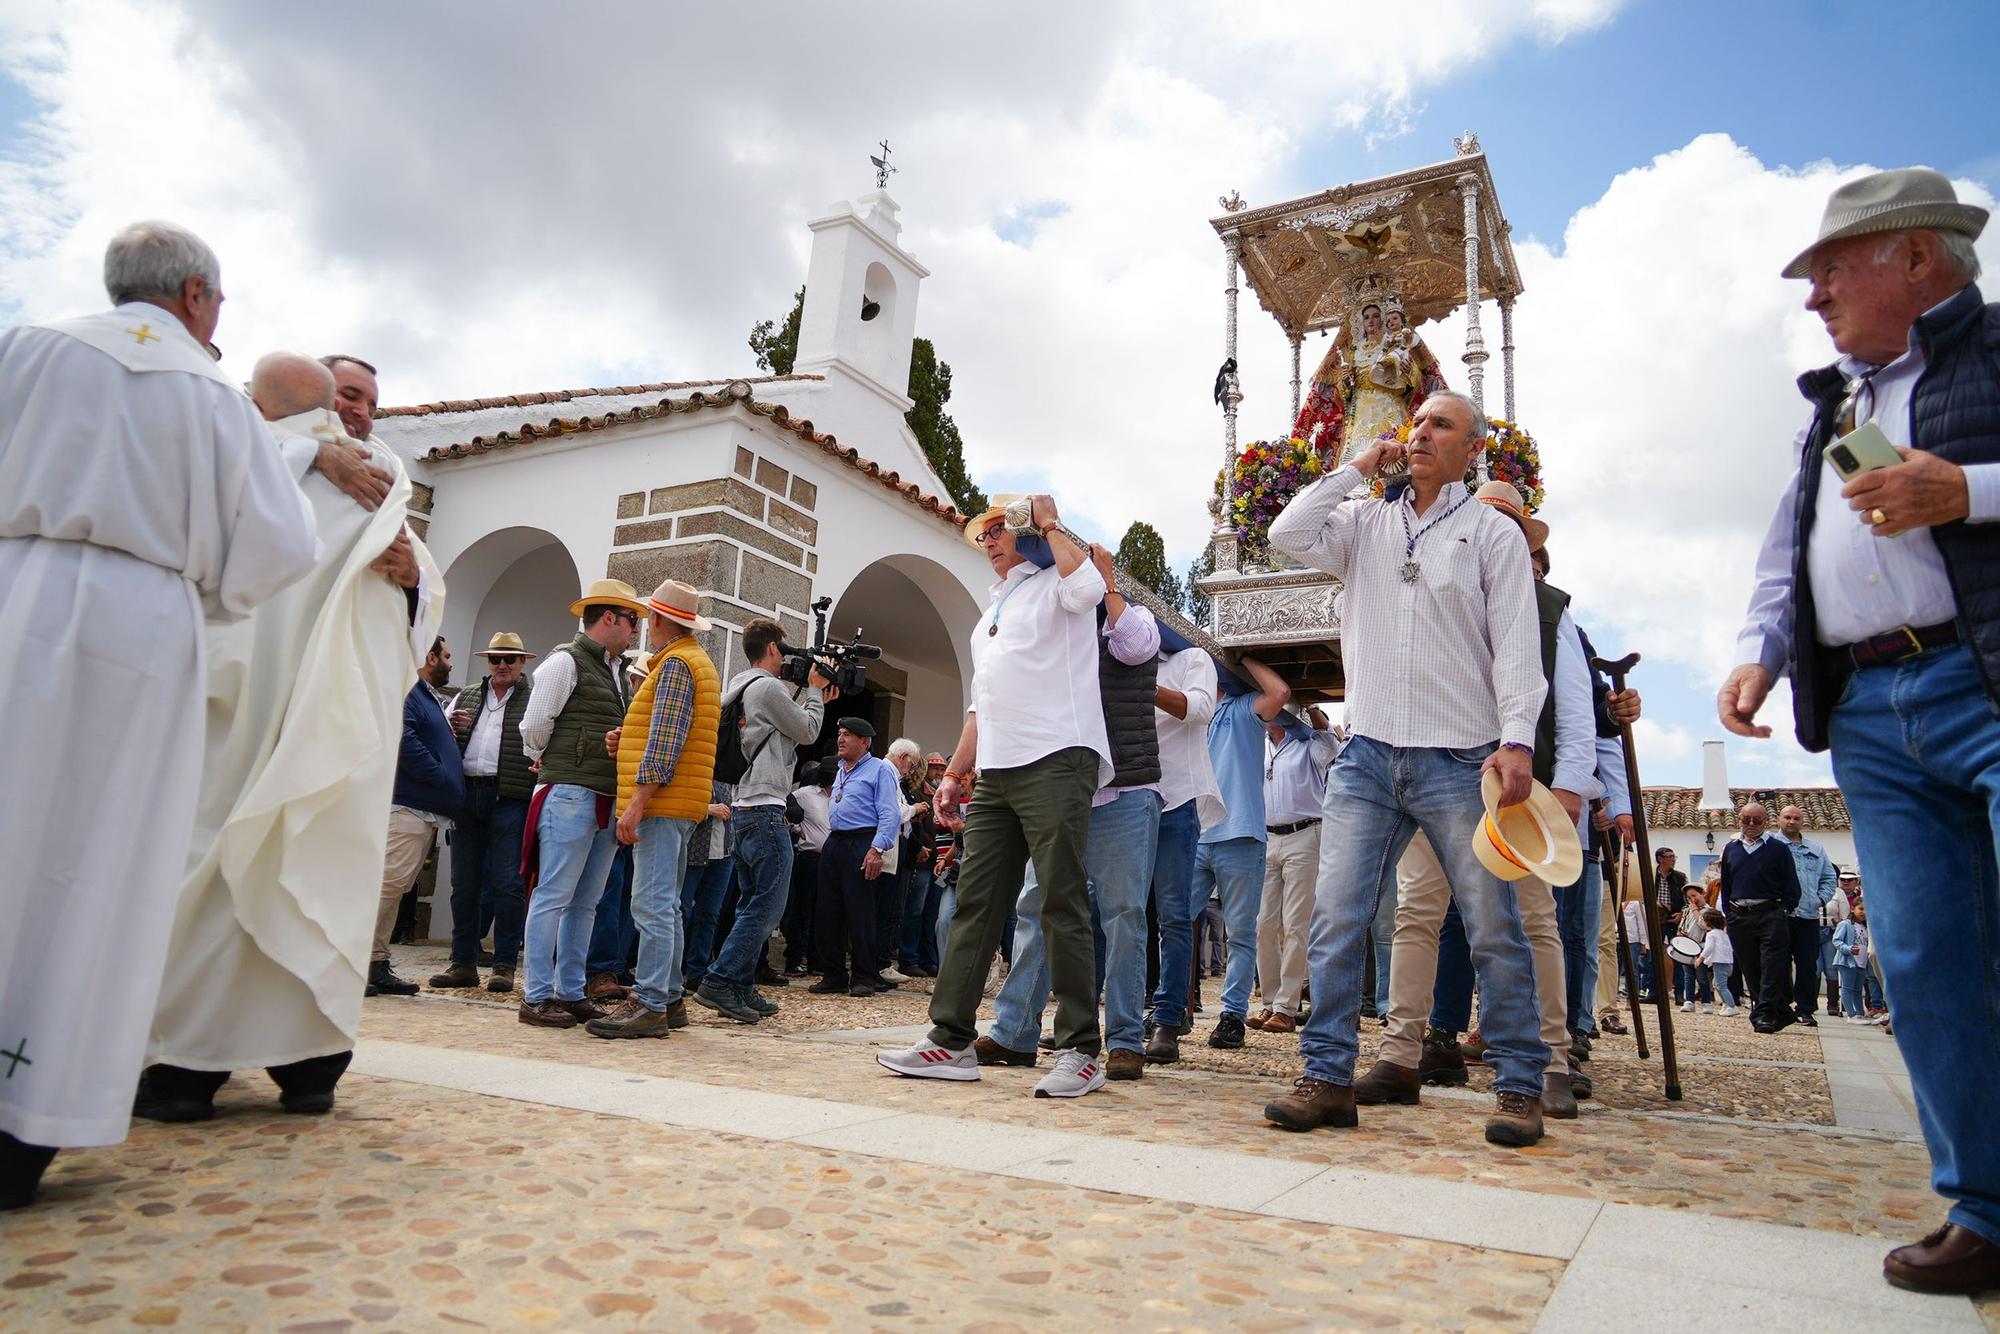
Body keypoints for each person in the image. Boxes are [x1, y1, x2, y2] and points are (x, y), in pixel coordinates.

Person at [0, 222, 325, 1209]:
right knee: (99, 862)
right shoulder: (209, 395)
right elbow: (276, 550)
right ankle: (32, 1115)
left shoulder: (30, 345)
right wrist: (206, 595)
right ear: (193, 293)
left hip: (16, 595)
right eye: (217, 303)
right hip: (141, 630)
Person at [1720, 168, 2000, 1289]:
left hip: (1983, 680)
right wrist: (1760, 647)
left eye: (1832, 268)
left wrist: (1966, 490)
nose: (1813, 295)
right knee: (1927, 958)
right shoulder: (1830, 407)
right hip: (1873, 711)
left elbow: (1950, 500)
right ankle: (1980, 1204)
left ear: (1916, 259)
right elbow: (1786, 550)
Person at [139, 352, 436, 1122]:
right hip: (249, 710)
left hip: (328, 715)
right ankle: (221, 1065)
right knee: (234, 857)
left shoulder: (381, 478)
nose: (360, 411)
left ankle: (277, 1065)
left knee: (302, 864)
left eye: (371, 399)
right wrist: (309, 452)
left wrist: (411, 578)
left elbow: (421, 588)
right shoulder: (260, 451)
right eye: (347, 395)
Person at [1261, 391, 1551, 1147]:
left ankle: (1521, 1086)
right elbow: (1286, 532)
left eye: (1440, 425)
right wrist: (1355, 468)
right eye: (1416, 422)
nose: (1421, 432)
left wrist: (1517, 738)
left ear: (1471, 449)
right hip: (1367, 756)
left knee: (1492, 926)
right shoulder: (1363, 522)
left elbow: (1520, 644)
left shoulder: (1492, 533)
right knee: (1336, 921)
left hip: (1460, 756)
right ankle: (1326, 1079)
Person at [1354, 484, 1611, 1120]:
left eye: (1503, 524)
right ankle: (1401, 1051)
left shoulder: (1552, 610)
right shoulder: (1437, 592)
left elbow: (1576, 713)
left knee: (1531, 920)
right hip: (1436, 769)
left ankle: (1551, 1058)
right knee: (1417, 911)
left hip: (1519, 791)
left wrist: (1573, 787)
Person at [878, 493, 1114, 1096]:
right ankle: (951, 1039)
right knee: (977, 902)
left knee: (1060, 899)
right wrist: (956, 773)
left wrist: (1050, 522)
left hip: (1059, 754)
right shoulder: (989, 615)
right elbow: (983, 704)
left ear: (1025, 533)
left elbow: (1091, 590)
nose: (987, 540)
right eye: (982, 533)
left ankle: (1082, 1048)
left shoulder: (1059, 579)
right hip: (999, 770)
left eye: (998, 530)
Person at [979, 542, 1163, 1083]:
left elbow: (1134, 649)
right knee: (1036, 905)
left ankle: (1126, 1039)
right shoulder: (1050, 614)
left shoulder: (1126, 618)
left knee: (1123, 916)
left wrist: (1107, 587)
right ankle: (1014, 1032)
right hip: (1058, 788)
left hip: (1124, 792)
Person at [587, 580, 720, 1038]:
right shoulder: (690, 662)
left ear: (660, 620)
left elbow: (665, 743)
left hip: (661, 802)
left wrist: (636, 805)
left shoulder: (676, 665)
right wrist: (625, 742)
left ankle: (649, 1002)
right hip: (678, 802)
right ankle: (669, 997)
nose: (644, 625)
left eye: (648, 618)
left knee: (651, 903)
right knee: (668, 905)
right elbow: (668, 733)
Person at [516, 578, 643, 1028]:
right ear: (608, 617)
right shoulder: (564, 662)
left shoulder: (611, 669)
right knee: (554, 895)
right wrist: (548, 760)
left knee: (583, 901)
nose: (636, 628)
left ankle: (568, 990)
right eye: (632, 619)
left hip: (598, 796)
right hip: (571, 791)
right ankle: (536, 995)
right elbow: (534, 727)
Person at [703, 618, 832, 1019]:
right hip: (766, 809)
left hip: (743, 807)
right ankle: (719, 981)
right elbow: (809, 731)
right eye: (785, 647)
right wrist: (814, 691)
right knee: (768, 905)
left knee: (750, 902)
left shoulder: (740, 687)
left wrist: (812, 697)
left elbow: (785, 732)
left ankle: (740, 985)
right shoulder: (769, 687)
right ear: (774, 648)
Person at [1192, 655, 1293, 1050]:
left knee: (1241, 932)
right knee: (1177, 924)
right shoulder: (1194, 713)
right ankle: (1170, 1008)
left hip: (1240, 834)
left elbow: (1280, 693)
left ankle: (1232, 1013)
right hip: (1195, 836)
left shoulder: (1242, 707)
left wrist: (1243, 658)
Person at [431, 633, 537, 993]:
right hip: (468, 794)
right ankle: (463, 962)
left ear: (523, 662)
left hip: (509, 797)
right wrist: (450, 727)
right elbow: (440, 736)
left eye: (509, 658)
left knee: (507, 883)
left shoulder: (535, 698)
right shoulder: (468, 695)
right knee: (464, 884)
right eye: (495, 659)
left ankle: (504, 964)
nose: (502, 665)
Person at [1141, 643, 1224, 1064]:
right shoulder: (1110, 657)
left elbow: (1199, 709)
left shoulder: (1191, 659)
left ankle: (1169, 1018)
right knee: (1122, 914)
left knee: (1173, 915)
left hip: (1176, 801)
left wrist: (1143, 683)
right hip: (1128, 798)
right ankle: (1118, 1015)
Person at [369, 638, 465, 997]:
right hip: (408, 805)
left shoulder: (424, 695)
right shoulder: (409, 690)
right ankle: (348, 960)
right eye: (447, 655)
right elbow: (403, 737)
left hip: (422, 807)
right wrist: (438, 774)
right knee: (387, 884)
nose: (451, 663)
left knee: (396, 886)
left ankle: (376, 964)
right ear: (429, 657)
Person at [1252, 706, 1340, 1035]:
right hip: (1267, 837)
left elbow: (1330, 744)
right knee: (1263, 925)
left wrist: (1313, 709)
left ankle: (1286, 1007)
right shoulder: (1258, 743)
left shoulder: (1307, 743)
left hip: (1305, 835)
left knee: (1296, 924)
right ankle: (1269, 1001)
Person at [1290, 293, 1448, 468]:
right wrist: (1346, 382)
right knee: (1358, 457)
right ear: (1361, 322)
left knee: (1395, 457)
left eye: (1375, 316)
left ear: (1384, 319)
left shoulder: (1396, 344)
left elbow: (1416, 384)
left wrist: (1408, 372)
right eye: (1366, 317)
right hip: (1361, 414)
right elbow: (1347, 395)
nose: (1370, 321)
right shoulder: (1353, 352)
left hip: (1390, 407)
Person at [811, 718, 903, 994]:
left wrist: (876, 849)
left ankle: (864, 976)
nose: (840, 738)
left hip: (862, 840)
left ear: (865, 741)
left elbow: (890, 812)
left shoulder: (879, 769)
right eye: (839, 733)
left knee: (860, 911)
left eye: (848, 735)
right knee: (828, 910)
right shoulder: (841, 769)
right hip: (836, 840)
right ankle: (834, 974)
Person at [1716, 802, 1802, 1032]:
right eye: (1747, 820)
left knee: (1772, 966)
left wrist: (1783, 910)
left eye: (1757, 820)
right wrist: (1729, 912)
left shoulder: (1778, 849)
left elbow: (1791, 885)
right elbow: (1726, 883)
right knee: (1749, 967)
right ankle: (1778, 1011)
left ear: (1766, 821)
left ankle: (1763, 1015)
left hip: (1770, 914)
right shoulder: (1731, 849)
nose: (1751, 825)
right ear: (1740, 820)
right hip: (1739, 917)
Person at [1775, 804, 1838, 1027]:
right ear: (1779, 819)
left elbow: (1830, 878)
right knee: (1778, 963)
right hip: (1781, 915)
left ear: (1802, 821)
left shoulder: (1817, 849)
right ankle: (1781, 1006)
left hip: (1808, 916)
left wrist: (1819, 900)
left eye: (1796, 818)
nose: (1791, 821)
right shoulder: (1771, 846)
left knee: (1807, 965)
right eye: (1787, 817)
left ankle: (1805, 1009)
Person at [784, 763, 834, 975]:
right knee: (802, 910)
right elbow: (785, 805)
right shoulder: (805, 793)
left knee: (824, 913)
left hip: (831, 860)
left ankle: (817, 960)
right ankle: (795, 959)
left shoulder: (843, 795)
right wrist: (795, 828)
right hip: (809, 858)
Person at [1699, 908, 1738, 1016]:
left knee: (1721, 986)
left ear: (1708, 923)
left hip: (1720, 963)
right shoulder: (1723, 934)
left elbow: (1709, 948)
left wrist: (1701, 958)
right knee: (1716, 983)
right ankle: (1726, 1003)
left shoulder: (1711, 934)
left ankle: (1731, 1006)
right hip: (1728, 962)